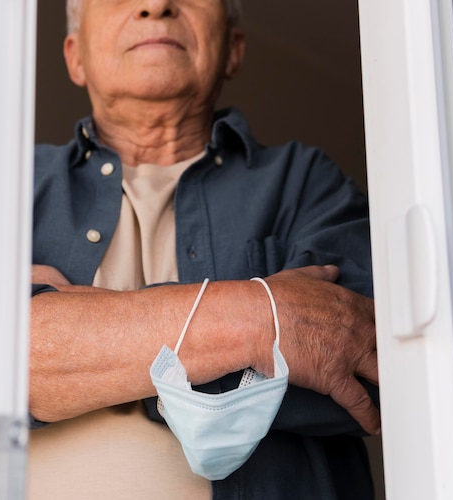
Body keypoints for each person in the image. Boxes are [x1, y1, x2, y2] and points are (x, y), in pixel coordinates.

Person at [28, 0, 379, 498]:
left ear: (234, 50)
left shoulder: (304, 182)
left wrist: (77, 338)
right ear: (74, 57)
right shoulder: (9, 187)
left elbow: (368, 364)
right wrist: (261, 314)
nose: (155, 6)